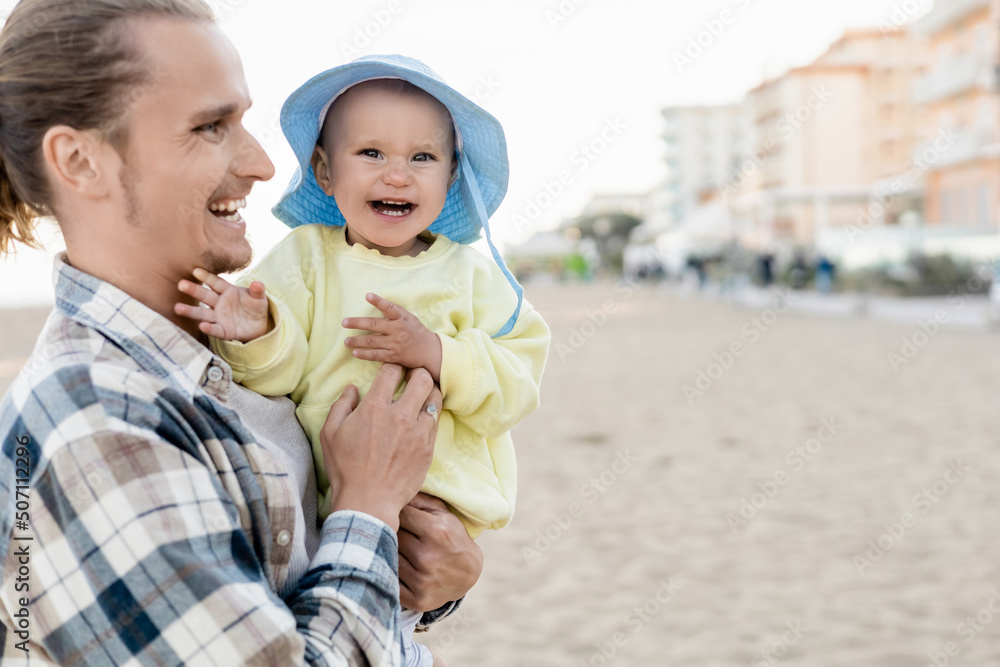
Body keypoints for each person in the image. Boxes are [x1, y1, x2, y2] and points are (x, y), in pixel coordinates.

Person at [0, 1, 481, 664]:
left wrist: (432, 580)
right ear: (79, 160)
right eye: (211, 126)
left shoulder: (235, 347)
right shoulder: (90, 424)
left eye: (242, 122)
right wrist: (369, 505)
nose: (259, 163)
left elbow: (289, 593)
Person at [176, 56, 551, 667]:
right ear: (324, 171)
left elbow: (516, 386)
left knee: (393, 625)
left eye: (423, 157)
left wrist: (437, 353)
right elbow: (278, 379)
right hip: (333, 506)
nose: (398, 175)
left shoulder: (473, 277)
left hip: (438, 509)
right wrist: (260, 331)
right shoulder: (305, 258)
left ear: (453, 174)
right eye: (371, 153)